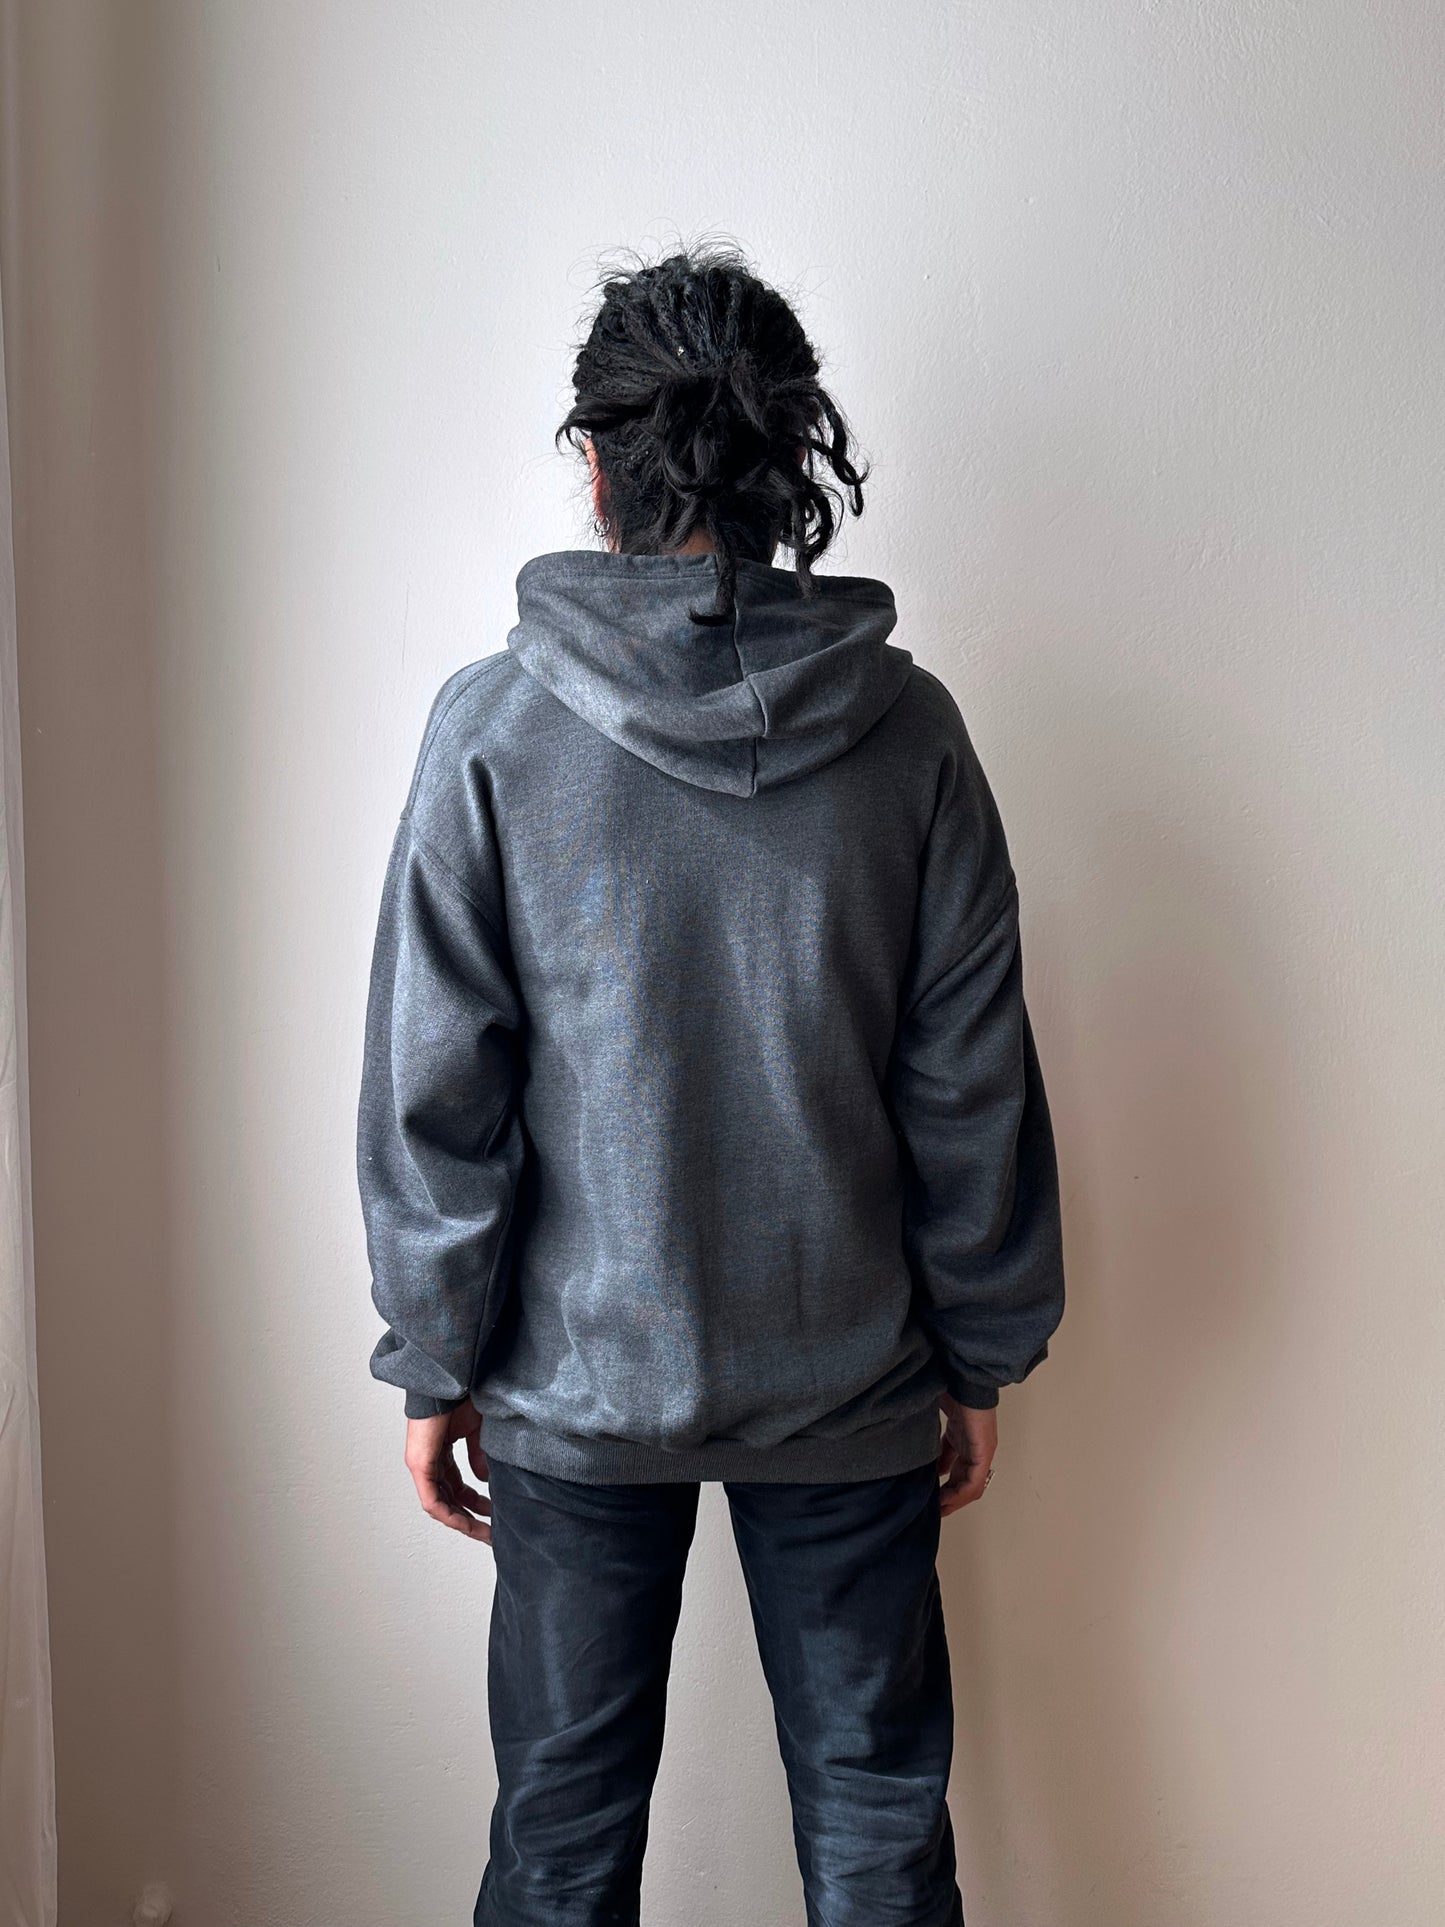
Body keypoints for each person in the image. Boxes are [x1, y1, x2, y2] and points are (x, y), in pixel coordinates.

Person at [355, 240, 1066, 1927]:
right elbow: (965, 1083)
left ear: (594, 464)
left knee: (559, 1845)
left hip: (576, 1391)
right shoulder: (911, 737)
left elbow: (437, 1091)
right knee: (878, 1832)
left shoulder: (491, 731)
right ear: (781, 462)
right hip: (850, 1382)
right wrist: (979, 1348)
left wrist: (435, 1357)